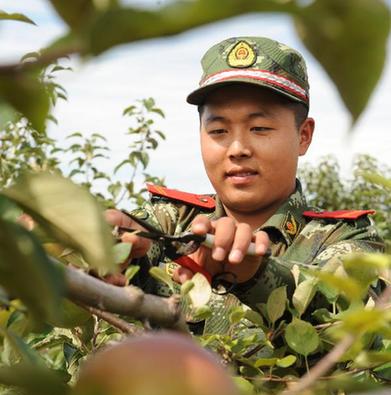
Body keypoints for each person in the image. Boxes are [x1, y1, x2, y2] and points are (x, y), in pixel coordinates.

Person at [106, 36, 383, 333]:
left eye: (259, 128)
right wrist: (109, 244)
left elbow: (349, 316)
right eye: (219, 130)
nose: (237, 148)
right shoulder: (174, 221)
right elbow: (138, 245)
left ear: (303, 136)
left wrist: (255, 275)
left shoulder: (346, 236)